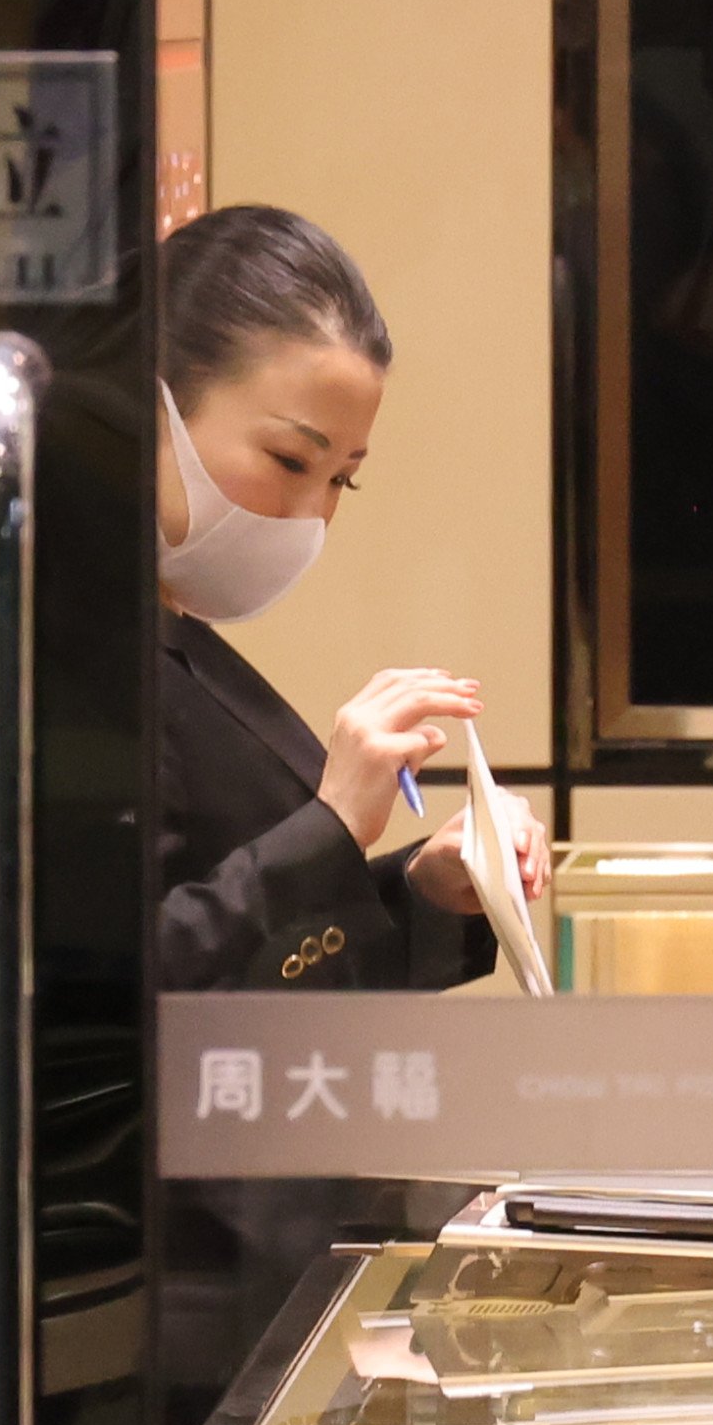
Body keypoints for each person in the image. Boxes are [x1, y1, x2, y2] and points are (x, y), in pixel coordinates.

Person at [151, 205, 542, 994]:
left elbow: (266, 968)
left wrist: (428, 890)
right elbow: (95, 1000)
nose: (313, 514)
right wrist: (328, 827)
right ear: (146, 412)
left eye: (342, 478)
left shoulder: (178, 641)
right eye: (290, 458)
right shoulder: (37, 649)